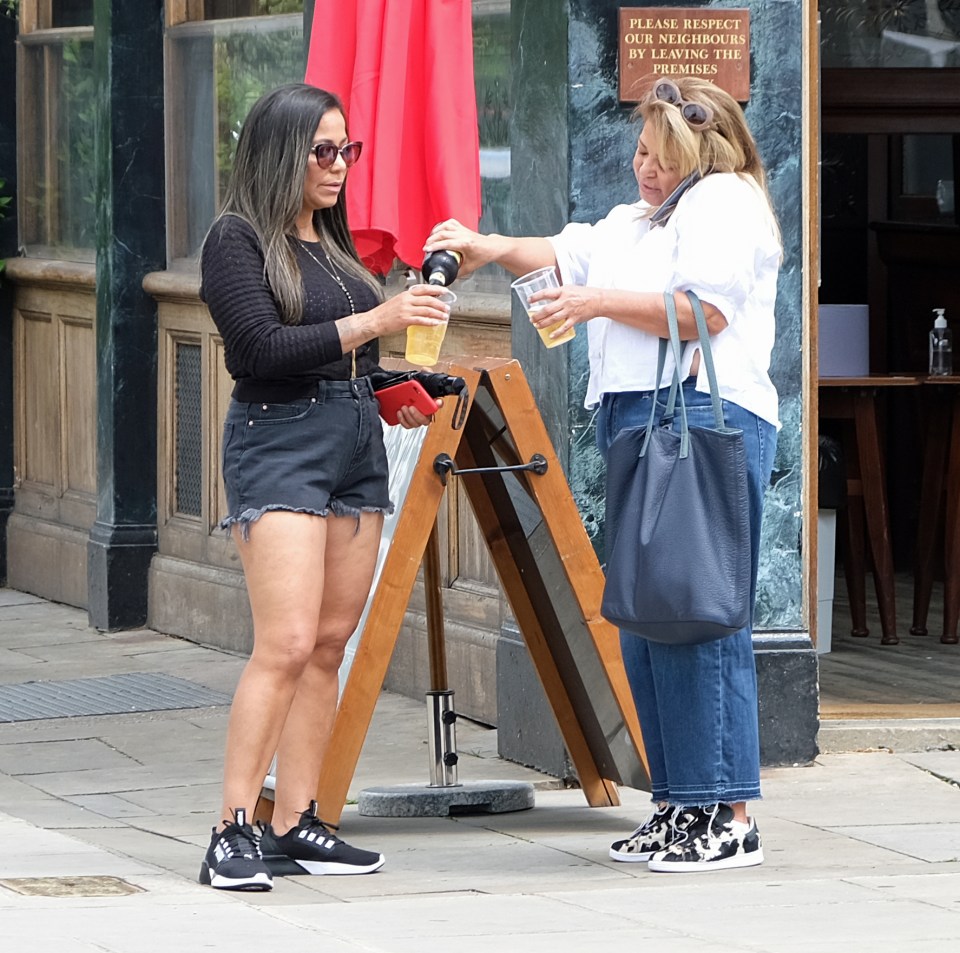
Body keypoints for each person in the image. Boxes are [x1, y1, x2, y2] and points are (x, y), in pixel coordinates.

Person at [424, 76, 781, 872]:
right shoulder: (638, 218)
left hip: (702, 420)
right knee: (651, 616)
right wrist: (487, 247)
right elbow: (564, 252)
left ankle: (727, 813)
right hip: (641, 420)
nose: (642, 167)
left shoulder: (724, 201)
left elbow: (704, 311)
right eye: (640, 152)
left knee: (700, 611)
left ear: (702, 152)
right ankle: (680, 802)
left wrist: (592, 305)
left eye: (659, 156)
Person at [197, 83, 451, 891]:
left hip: (353, 446)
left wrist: (401, 389)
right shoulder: (236, 239)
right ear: (281, 152)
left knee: (331, 644)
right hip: (278, 442)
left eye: (349, 151)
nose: (340, 166)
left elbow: (354, 358)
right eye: (324, 151)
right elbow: (260, 349)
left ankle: (295, 820)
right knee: (285, 641)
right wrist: (378, 322)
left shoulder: (334, 243)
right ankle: (230, 827)